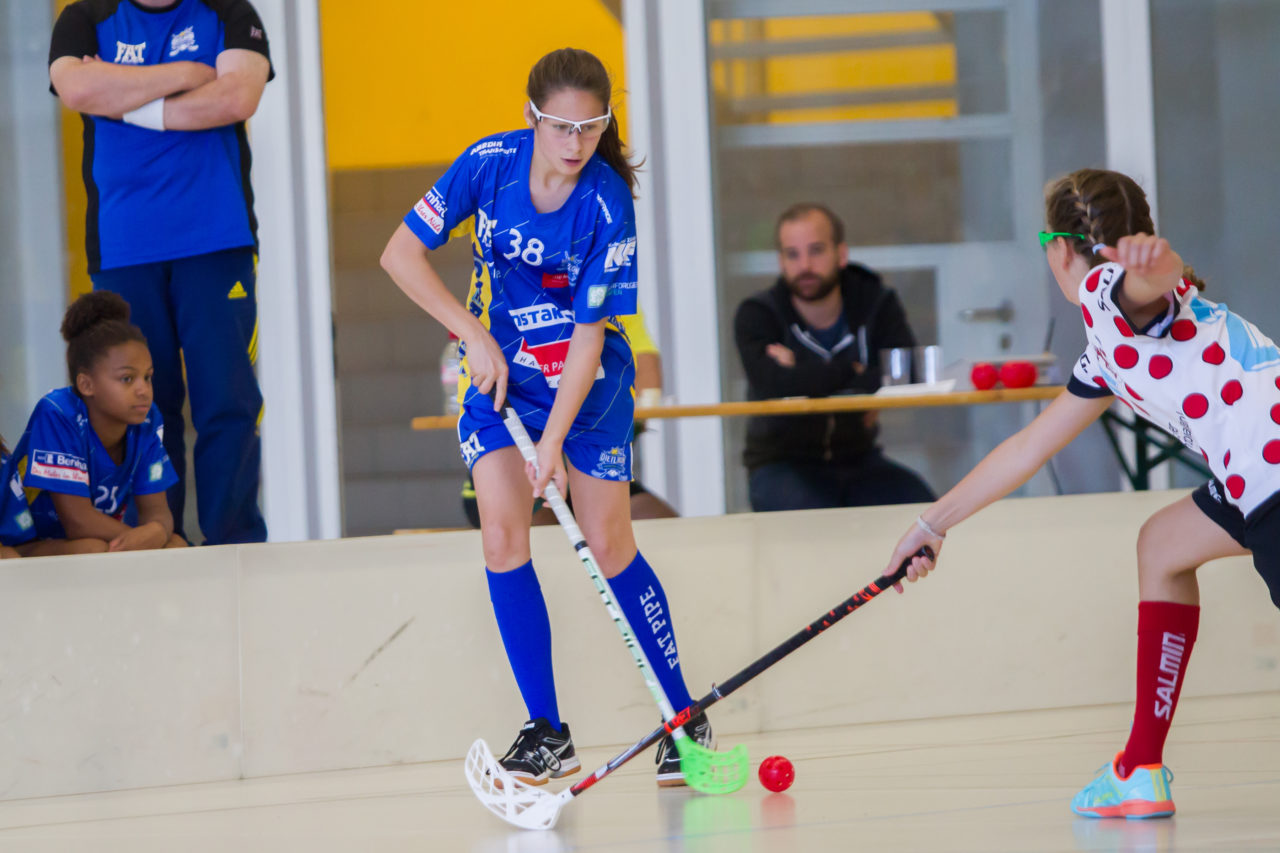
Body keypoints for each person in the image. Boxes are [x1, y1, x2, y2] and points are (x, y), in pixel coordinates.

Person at [885, 167, 1280, 820]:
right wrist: (932, 524)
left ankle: (1141, 769)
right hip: (1253, 481)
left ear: (1060, 247)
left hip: (1270, 482)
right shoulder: (1107, 349)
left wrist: (1153, 263)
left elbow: (1145, 287)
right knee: (1163, 544)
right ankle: (1141, 768)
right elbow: (1027, 449)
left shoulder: (1107, 291)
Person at [380, 48, 710, 787]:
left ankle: (681, 714)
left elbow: (591, 337)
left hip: (585, 391)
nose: (574, 144)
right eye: (560, 126)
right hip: (501, 378)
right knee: (501, 530)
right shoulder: (487, 164)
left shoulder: (605, 204)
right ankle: (546, 730)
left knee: (608, 539)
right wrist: (472, 333)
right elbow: (400, 254)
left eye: (590, 128)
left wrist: (553, 445)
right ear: (532, 117)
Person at [48, 0, 274, 545]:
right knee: (139, 407)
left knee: (228, 401)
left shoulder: (229, 12)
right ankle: (156, 540)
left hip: (216, 241)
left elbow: (238, 95)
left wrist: (125, 100)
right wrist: (185, 76)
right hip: (124, 248)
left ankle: (233, 544)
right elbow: (76, 90)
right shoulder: (85, 17)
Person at [734, 203, 935, 512]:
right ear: (780, 262)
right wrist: (854, 373)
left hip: (858, 458)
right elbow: (772, 385)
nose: (805, 265)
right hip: (782, 464)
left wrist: (800, 373)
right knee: (818, 527)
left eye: (816, 250)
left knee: (927, 513)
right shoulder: (758, 314)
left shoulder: (876, 300)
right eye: (793, 254)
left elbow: (909, 372)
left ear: (841, 254)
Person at [0, 292, 186, 557]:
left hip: (93, 539)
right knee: (93, 549)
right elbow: (78, 521)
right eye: (127, 379)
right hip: (30, 542)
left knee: (176, 545)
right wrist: (146, 538)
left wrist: (157, 531)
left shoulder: (146, 418)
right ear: (86, 384)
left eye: (148, 377)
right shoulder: (58, 413)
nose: (144, 390)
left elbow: (157, 512)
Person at [459, 309, 677, 528]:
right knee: (545, 540)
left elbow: (646, 368)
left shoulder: (601, 282)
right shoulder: (515, 287)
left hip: (582, 459)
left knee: (662, 525)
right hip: (522, 463)